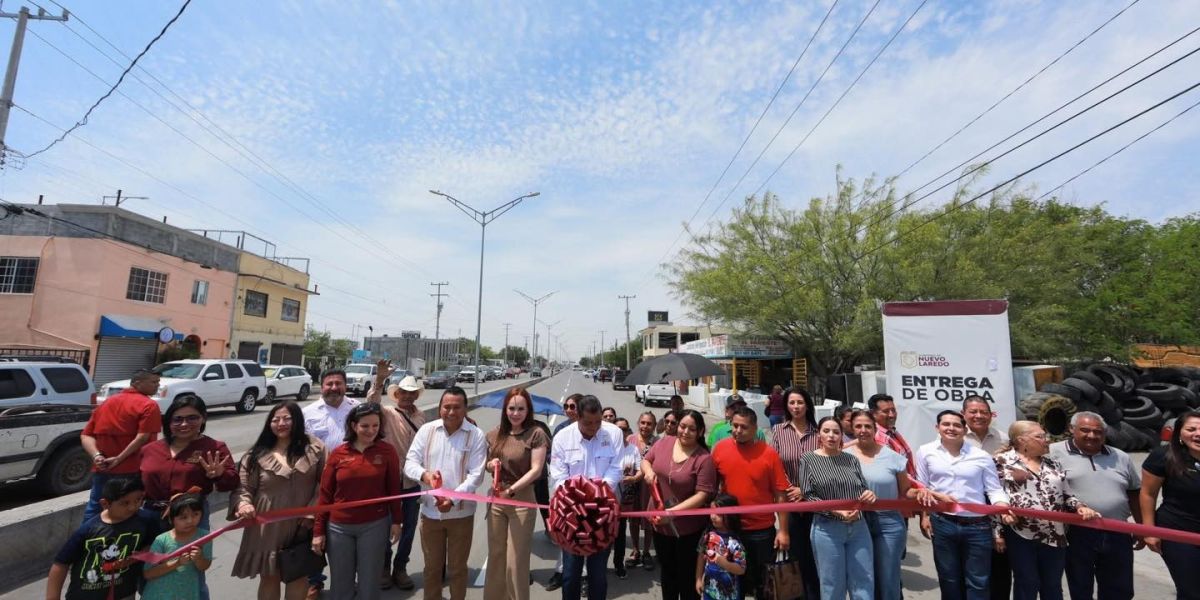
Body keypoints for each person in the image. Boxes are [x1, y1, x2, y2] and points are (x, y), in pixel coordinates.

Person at [229, 401, 326, 600]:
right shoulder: (255, 455)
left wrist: (311, 513)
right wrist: (244, 504)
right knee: (269, 576)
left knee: (298, 577)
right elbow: (244, 487)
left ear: (297, 420)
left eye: (287, 418)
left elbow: (325, 485)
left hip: (302, 525)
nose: (281, 423)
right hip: (265, 528)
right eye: (275, 419)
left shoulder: (315, 448)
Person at [994, 420, 1099, 600]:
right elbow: (994, 496)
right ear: (1022, 440)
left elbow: (1067, 495)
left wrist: (1081, 507)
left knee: (1052, 584)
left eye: (1046, 436)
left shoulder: (1053, 464)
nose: (1047, 440)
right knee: (1027, 582)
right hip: (1021, 533)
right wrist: (997, 532)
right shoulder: (1001, 462)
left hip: (1055, 533)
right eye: (1040, 437)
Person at [915, 410, 1014, 600]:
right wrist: (925, 516)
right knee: (949, 579)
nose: (951, 428)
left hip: (977, 526)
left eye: (956, 425)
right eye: (946, 424)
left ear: (964, 429)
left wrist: (1002, 507)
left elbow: (993, 489)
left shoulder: (981, 456)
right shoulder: (925, 452)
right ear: (938, 428)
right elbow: (922, 487)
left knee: (978, 580)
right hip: (942, 523)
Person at [312, 403, 403, 600]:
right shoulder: (338, 453)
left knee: (369, 583)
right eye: (365, 426)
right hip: (338, 528)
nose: (371, 431)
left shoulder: (387, 452)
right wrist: (318, 531)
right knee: (341, 584)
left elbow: (394, 489)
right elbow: (325, 495)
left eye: (375, 426)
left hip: (375, 525)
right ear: (354, 426)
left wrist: (396, 521)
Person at [404, 386, 488, 600]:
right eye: (446, 407)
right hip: (430, 514)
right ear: (440, 407)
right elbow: (409, 463)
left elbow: (476, 475)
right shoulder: (427, 430)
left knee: (458, 570)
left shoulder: (475, 435)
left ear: (465, 409)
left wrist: (451, 499)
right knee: (431, 569)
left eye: (457, 407)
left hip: (461, 515)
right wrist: (425, 475)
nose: (451, 412)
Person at [1049, 412, 1142, 600]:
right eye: (1085, 430)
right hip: (1076, 533)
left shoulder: (1120, 457)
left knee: (1119, 589)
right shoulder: (1052, 452)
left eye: (1097, 432)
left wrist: (1141, 527)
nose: (1092, 436)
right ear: (1071, 430)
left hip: (1117, 530)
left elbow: (1134, 493)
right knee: (1081, 586)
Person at [846, 409, 936, 600]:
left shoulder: (893, 457)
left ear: (875, 429)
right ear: (852, 429)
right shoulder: (843, 456)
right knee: (861, 576)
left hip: (889, 523)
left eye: (868, 426)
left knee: (889, 578)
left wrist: (921, 493)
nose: (863, 430)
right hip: (856, 522)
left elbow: (906, 491)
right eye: (858, 426)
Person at [548, 394, 625, 600]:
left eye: (598, 421)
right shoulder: (563, 437)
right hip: (572, 517)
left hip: (603, 515)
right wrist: (579, 498)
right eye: (588, 423)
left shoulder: (614, 433)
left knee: (598, 574)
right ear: (577, 418)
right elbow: (558, 474)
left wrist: (598, 496)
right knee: (571, 573)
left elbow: (616, 468)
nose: (594, 427)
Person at [710, 407, 789, 599]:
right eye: (734, 426)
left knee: (763, 584)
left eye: (743, 427)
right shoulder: (720, 449)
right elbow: (712, 487)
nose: (737, 430)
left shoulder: (769, 454)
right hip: (729, 530)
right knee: (731, 582)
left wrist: (783, 530)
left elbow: (780, 494)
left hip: (761, 531)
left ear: (755, 428)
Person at [800, 416, 877, 600]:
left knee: (864, 582)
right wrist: (834, 510)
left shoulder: (851, 460)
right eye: (826, 431)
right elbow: (808, 496)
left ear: (842, 435)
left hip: (858, 528)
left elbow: (862, 488)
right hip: (827, 529)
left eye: (836, 432)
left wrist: (868, 496)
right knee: (832, 585)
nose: (831, 436)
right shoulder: (808, 459)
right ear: (819, 434)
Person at [642, 409, 716, 600]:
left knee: (687, 578)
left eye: (692, 429)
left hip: (687, 531)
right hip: (659, 525)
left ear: (700, 432)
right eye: (682, 426)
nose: (685, 432)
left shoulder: (703, 459)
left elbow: (702, 495)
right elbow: (646, 461)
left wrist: (672, 513)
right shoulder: (664, 442)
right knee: (667, 574)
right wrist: (648, 472)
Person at [484, 388, 550, 600]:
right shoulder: (494, 434)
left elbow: (536, 470)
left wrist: (511, 490)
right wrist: (490, 464)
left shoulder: (536, 434)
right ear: (505, 410)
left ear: (528, 410)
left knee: (516, 561)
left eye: (521, 408)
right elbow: (486, 465)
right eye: (511, 408)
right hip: (496, 501)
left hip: (522, 501)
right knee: (496, 557)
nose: (515, 413)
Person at [368, 361, 427, 591]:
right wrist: (380, 380)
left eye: (412, 393)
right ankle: (383, 567)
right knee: (385, 525)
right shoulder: (387, 413)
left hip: (412, 481)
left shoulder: (421, 417)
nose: (408, 397)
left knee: (409, 526)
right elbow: (371, 403)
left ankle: (400, 567)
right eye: (404, 393)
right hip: (388, 480)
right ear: (397, 394)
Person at [140, 396, 237, 536]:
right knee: (150, 557)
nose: (184, 424)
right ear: (168, 422)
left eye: (192, 418)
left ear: (203, 418)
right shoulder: (149, 449)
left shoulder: (214, 448)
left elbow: (231, 483)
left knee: (191, 557)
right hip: (150, 517)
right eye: (177, 419)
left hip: (191, 516)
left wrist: (220, 475)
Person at [45, 477, 153, 600]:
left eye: (138, 500)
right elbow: (61, 564)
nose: (133, 507)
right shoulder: (89, 529)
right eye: (125, 503)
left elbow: (151, 545)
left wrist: (137, 557)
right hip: (85, 595)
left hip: (124, 593)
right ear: (105, 504)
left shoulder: (145, 520)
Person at [79, 368, 162, 524]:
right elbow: (143, 437)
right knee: (127, 511)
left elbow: (85, 435)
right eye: (153, 382)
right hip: (132, 470)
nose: (157, 386)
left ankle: (85, 540)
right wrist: (118, 459)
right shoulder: (149, 405)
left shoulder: (107, 403)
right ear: (137, 383)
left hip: (103, 468)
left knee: (96, 507)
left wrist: (97, 456)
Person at [1140, 410, 1200, 599]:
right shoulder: (1164, 456)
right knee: (1191, 591)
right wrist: (1149, 531)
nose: (1198, 434)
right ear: (1179, 433)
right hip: (1177, 532)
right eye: (1191, 429)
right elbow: (1148, 494)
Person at [768, 387, 821, 599]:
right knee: (795, 556)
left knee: (816, 557)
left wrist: (805, 490)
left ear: (807, 404)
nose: (796, 407)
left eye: (800, 402)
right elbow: (775, 465)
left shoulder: (819, 433)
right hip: (789, 502)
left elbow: (827, 464)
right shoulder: (779, 430)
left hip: (816, 502)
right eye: (792, 403)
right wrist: (791, 489)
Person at [961, 395, 1011, 600]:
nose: (979, 416)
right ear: (963, 413)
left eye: (984, 412)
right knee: (970, 566)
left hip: (997, 503)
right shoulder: (955, 437)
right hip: (967, 507)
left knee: (1000, 562)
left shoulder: (1004, 438)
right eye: (973, 412)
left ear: (991, 415)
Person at [142, 492, 213, 600]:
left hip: (187, 593)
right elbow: (148, 573)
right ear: (171, 519)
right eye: (183, 517)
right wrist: (177, 563)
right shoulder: (162, 540)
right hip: (158, 594)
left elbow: (205, 566)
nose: (190, 521)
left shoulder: (204, 537)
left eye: (195, 514)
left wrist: (199, 559)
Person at [547, 393, 585, 592]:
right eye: (567, 406)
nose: (569, 409)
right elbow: (552, 456)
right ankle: (561, 572)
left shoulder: (593, 429)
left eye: (573, 406)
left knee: (588, 535)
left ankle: (584, 576)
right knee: (566, 535)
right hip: (564, 493)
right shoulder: (560, 430)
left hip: (588, 495)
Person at [624, 412, 659, 571]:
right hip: (631, 486)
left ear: (654, 425)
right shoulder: (630, 439)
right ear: (638, 423)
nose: (645, 426)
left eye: (649, 423)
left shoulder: (658, 443)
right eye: (643, 422)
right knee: (633, 520)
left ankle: (646, 552)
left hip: (649, 487)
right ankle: (636, 550)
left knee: (649, 519)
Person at [695, 494, 747, 600]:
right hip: (709, 590)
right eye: (711, 512)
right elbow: (701, 556)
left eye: (718, 514)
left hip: (729, 593)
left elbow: (741, 569)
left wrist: (724, 563)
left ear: (730, 515)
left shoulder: (735, 541)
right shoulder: (708, 535)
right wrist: (698, 578)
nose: (713, 516)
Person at [303, 369, 360, 458]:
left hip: (353, 466)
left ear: (345, 386)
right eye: (329, 384)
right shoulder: (306, 413)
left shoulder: (358, 408)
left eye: (338, 383)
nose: (334, 388)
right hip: (321, 468)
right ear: (321, 388)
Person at [870, 394, 915, 477]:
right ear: (873, 413)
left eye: (893, 410)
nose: (892, 415)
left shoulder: (892, 432)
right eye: (886, 411)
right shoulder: (877, 436)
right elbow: (892, 469)